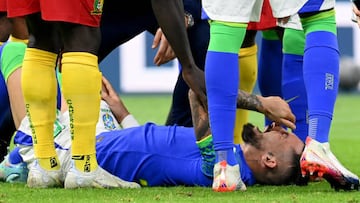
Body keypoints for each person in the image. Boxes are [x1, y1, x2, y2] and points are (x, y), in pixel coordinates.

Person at [1, 74, 359, 191]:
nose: (276, 127)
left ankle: (14, 164)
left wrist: (262, 103)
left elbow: (195, 89)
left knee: (53, 79)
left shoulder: (219, 169)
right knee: (88, 90)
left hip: (82, 154)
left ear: (268, 160)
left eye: (281, 135)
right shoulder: (228, 157)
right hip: (111, 135)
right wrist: (123, 112)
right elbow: (156, 154)